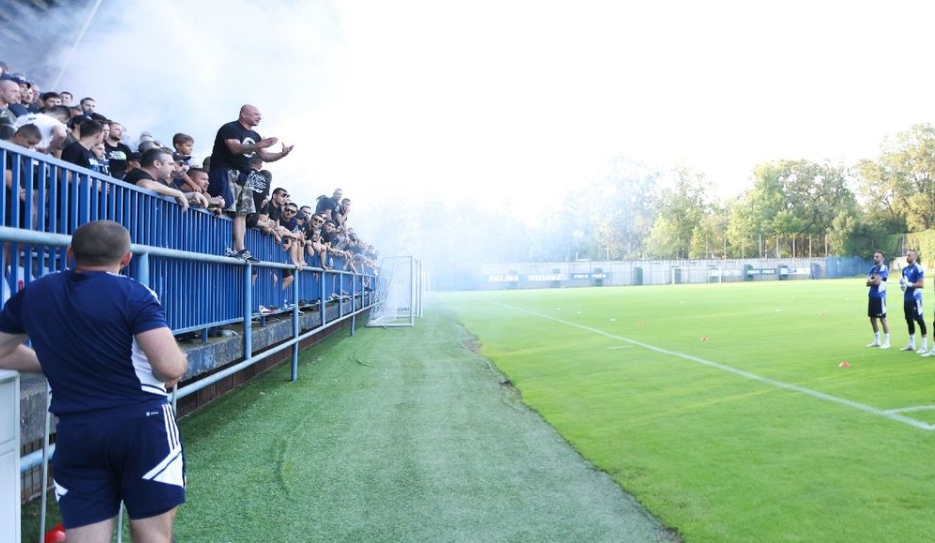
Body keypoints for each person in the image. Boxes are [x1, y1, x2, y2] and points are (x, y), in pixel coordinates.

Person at [0, 220, 188, 543]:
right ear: (126, 259)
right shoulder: (134, 292)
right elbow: (170, 368)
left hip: (77, 431)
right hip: (142, 425)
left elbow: (2, 352)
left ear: (71, 253)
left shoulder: (35, 293)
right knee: (153, 537)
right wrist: (180, 361)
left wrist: (54, 366)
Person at [208, 104, 293, 263]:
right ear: (243, 114)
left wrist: (282, 154)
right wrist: (259, 145)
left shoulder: (255, 134)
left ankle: (240, 248)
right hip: (225, 170)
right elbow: (235, 148)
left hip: (243, 174)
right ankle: (224, 246)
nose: (259, 117)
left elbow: (266, 157)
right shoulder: (230, 128)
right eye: (255, 114)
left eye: (260, 115)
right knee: (226, 207)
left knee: (242, 212)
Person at [899, 249, 928, 354]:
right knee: (909, 320)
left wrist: (909, 284)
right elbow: (904, 284)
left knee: (919, 320)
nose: (907, 257)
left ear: (915, 257)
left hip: (916, 298)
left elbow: (921, 284)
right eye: (907, 255)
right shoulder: (905, 269)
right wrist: (903, 285)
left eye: (909, 255)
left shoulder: (918, 268)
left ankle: (924, 345)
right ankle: (912, 344)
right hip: (907, 298)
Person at [866, 250, 890, 348]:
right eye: (874, 256)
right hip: (872, 295)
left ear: (882, 258)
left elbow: (876, 282)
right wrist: (872, 280)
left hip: (880, 297)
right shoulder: (873, 269)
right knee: (872, 319)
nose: (875, 258)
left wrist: (871, 281)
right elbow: (867, 282)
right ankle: (877, 340)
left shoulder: (884, 268)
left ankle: (887, 342)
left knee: (882, 319)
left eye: (877, 257)